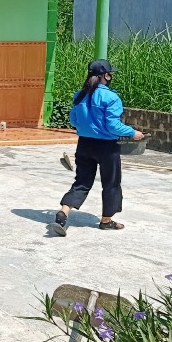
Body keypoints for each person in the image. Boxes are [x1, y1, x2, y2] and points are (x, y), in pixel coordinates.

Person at [53, 59, 145, 237]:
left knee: (82, 181)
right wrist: (133, 133)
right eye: (110, 74)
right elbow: (113, 126)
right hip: (106, 147)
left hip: (84, 144)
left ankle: (63, 212)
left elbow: (74, 120)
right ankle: (106, 221)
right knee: (111, 183)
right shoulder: (111, 98)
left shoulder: (79, 95)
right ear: (106, 76)